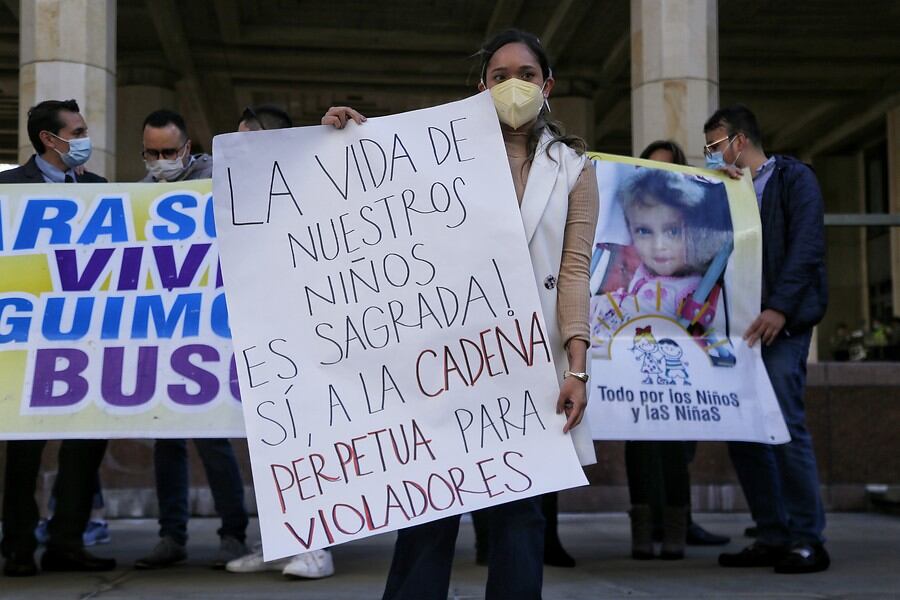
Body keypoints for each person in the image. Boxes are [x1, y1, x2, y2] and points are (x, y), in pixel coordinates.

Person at [322, 28, 598, 600]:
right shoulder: (436, 151)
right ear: (481, 87)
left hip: (530, 360)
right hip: (446, 356)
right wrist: (346, 143)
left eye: (526, 75)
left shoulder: (575, 168)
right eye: (500, 77)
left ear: (548, 86)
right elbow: (370, 193)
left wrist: (576, 366)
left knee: (522, 512)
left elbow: (573, 273)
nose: (514, 86)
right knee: (431, 505)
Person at [704, 105, 830, 574]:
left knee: (785, 428)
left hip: (782, 326)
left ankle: (806, 538)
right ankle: (772, 532)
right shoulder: (726, 190)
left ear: (739, 141)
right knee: (745, 434)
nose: (711, 156)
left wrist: (779, 307)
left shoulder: (795, 180)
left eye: (715, 146)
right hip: (736, 332)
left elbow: (807, 247)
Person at [0, 99, 116, 576]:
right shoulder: (8, 190)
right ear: (51, 139)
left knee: (85, 447)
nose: (85, 138)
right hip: (27, 344)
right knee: (24, 452)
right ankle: (20, 547)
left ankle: (67, 541)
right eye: (79, 130)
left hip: (85, 341)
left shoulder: (101, 191)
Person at [134, 109, 250, 570]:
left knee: (212, 435)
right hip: (163, 328)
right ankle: (171, 536)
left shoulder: (217, 179)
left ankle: (233, 533)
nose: (160, 160)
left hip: (212, 326)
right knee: (166, 436)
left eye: (169, 151)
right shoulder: (137, 198)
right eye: (151, 152)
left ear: (187, 147)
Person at [224, 104, 334, 580]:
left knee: (312, 440)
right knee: (272, 445)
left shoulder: (313, 185)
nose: (239, 147)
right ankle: (280, 541)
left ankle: (319, 546)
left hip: (309, 338)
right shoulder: (233, 196)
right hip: (261, 338)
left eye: (248, 138)